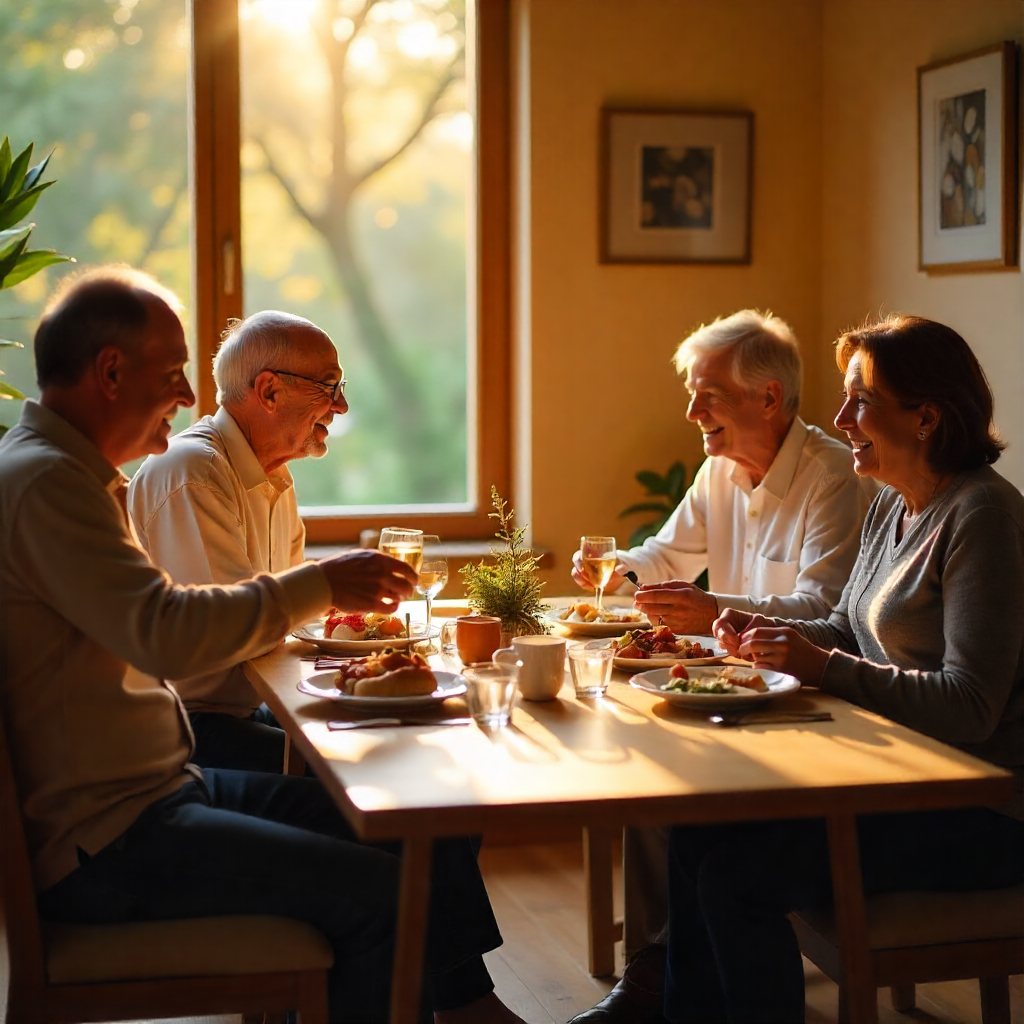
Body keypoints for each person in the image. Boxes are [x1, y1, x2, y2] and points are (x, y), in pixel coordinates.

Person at [0, 265, 522, 1024]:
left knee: (404, 829)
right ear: (109, 373)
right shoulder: (48, 485)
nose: (188, 398)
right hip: (112, 840)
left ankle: (457, 1003)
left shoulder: (65, 475)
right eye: (174, 375)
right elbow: (170, 636)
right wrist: (320, 584)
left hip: (159, 792)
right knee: (381, 894)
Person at [667, 315, 1024, 1023]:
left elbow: (970, 705)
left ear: (926, 417)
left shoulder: (982, 515)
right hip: (898, 781)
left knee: (738, 879)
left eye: (861, 400)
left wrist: (819, 665)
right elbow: (843, 628)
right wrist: (763, 630)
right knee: (693, 826)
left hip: (984, 813)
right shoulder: (893, 503)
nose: (838, 418)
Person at [570, 311, 873, 1024]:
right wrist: (619, 568)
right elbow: (668, 556)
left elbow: (823, 607)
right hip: (730, 688)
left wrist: (708, 611)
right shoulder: (720, 469)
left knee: (661, 787)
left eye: (706, 395)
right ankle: (660, 970)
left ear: (767, 399)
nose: (689, 412)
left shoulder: (833, 477)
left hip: (804, 703)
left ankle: (668, 974)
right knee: (640, 781)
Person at [128, 310, 347, 772]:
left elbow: (284, 623)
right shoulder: (193, 473)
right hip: (183, 732)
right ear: (269, 391)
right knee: (365, 780)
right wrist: (328, 586)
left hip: (244, 710)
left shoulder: (274, 477)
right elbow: (233, 637)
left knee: (392, 750)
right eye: (329, 387)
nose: (341, 405)